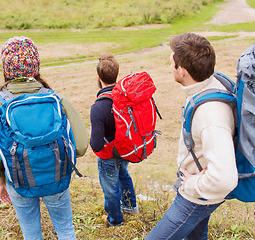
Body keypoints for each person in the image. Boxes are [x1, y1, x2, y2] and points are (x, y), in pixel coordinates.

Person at [0, 36, 88, 240]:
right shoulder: (56, 98)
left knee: (31, 234)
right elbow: (82, 146)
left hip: (18, 182)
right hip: (56, 178)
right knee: (66, 230)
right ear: (36, 64)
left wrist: (0, 182)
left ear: (6, 68)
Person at [146, 33, 238, 239]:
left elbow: (225, 179)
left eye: (172, 63)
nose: (170, 67)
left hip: (196, 198)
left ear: (182, 70)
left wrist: (193, 185)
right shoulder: (212, 84)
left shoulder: (210, 115)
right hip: (203, 193)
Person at [90, 54, 139, 226]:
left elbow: (96, 144)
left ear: (98, 77)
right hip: (126, 149)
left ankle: (115, 220)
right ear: (117, 74)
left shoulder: (98, 107)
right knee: (124, 174)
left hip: (108, 156)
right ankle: (130, 206)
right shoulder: (125, 98)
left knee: (110, 189)